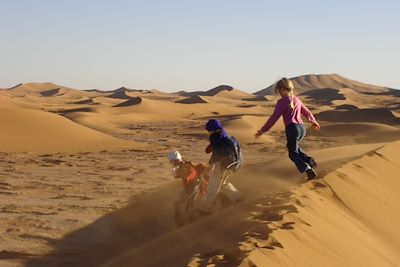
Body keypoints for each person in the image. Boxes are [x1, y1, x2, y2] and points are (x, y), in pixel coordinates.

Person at [255, 78, 320, 180]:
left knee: (292, 153)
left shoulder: (282, 102)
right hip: (302, 128)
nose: (279, 93)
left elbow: (274, 118)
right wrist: (313, 121)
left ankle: (308, 170)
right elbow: (307, 112)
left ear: (283, 89)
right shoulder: (296, 99)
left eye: (279, 90)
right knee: (295, 148)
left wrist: (263, 130)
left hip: (292, 129)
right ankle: (309, 160)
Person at [202, 119, 243, 213]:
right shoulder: (225, 135)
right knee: (224, 183)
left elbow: (216, 154)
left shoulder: (215, 137)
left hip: (221, 165)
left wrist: (210, 164)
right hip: (231, 164)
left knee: (213, 186)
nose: (208, 132)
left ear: (211, 129)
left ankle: (206, 209)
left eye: (208, 130)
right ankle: (238, 198)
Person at [168, 151, 208, 226]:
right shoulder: (186, 163)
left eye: (171, 161)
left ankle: (180, 223)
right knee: (190, 205)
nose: (171, 163)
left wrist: (180, 175)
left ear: (174, 160)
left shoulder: (183, 166)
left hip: (192, 187)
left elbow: (188, 175)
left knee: (177, 203)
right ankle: (192, 221)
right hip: (196, 184)